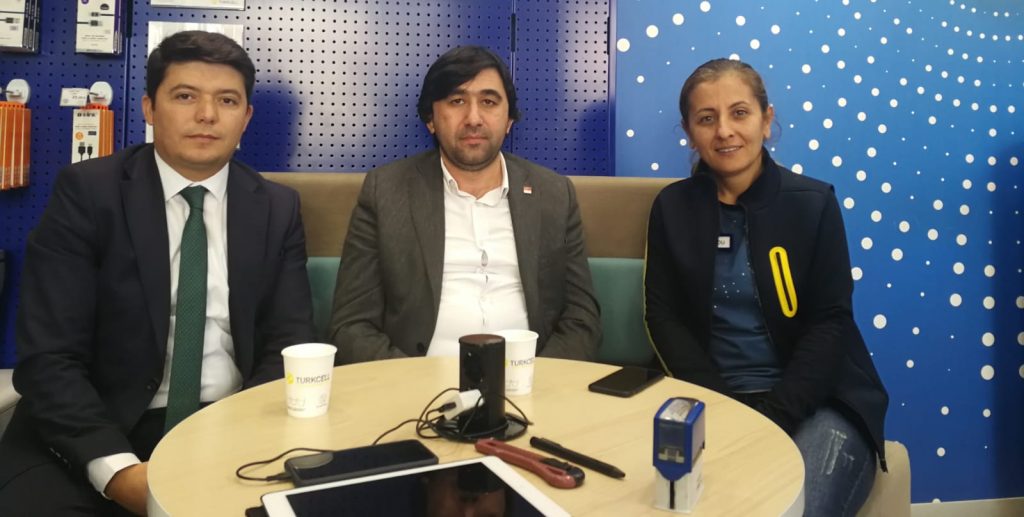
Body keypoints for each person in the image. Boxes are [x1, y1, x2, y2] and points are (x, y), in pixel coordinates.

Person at [0, 31, 315, 516]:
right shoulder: (87, 193)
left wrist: (243, 441)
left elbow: (286, 344)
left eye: (227, 100)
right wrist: (117, 471)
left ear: (246, 117)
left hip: (227, 425)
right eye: (185, 96)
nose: (207, 115)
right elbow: (49, 357)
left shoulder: (277, 208)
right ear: (149, 107)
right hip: (94, 427)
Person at [643, 58, 888, 516]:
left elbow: (830, 322)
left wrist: (773, 418)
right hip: (708, 399)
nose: (724, 131)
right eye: (706, 119)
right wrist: (721, 409)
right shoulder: (671, 208)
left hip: (818, 404)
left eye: (739, 113)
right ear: (689, 132)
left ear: (766, 119)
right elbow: (663, 316)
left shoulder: (813, 203)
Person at [330, 45, 600, 363]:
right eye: (457, 101)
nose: (473, 118)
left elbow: (582, 318)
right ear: (431, 119)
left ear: (509, 119)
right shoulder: (386, 192)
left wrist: (539, 379)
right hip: (418, 381)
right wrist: (410, 383)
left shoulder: (553, 194)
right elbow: (351, 325)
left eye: (489, 102)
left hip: (530, 379)